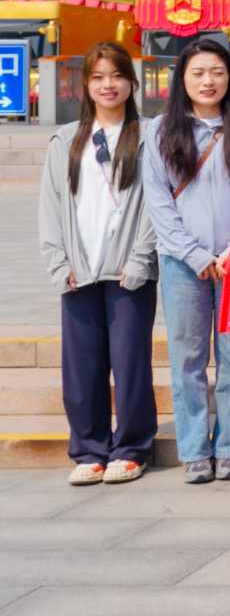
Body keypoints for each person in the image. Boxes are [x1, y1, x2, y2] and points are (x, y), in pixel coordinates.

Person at [139, 36, 230, 484]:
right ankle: (193, 450)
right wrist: (194, 254)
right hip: (181, 265)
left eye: (218, 72)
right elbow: (158, 202)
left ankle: (229, 448)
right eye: (198, 73)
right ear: (182, 79)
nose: (209, 81)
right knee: (187, 360)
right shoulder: (160, 131)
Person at [39, 42, 155, 487]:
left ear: (132, 82)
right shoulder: (66, 140)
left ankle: (131, 448)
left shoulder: (148, 136)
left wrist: (141, 258)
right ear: (85, 85)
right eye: (99, 77)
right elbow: (51, 206)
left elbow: (156, 204)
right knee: (81, 366)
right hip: (78, 270)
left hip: (130, 272)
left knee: (130, 363)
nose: (109, 85)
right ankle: (89, 449)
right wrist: (58, 262)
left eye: (118, 76)